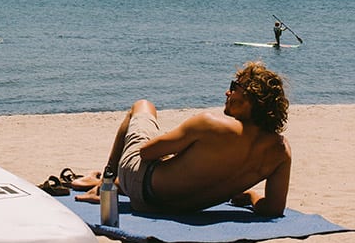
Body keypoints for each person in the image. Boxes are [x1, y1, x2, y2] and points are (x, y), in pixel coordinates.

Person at [76, 61, 292, 217]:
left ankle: (105, 186)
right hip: (180, 208)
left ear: (251, 99)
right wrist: (253, 196)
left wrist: (175, 149)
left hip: (145, 193)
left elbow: (146, 152)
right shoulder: (281, 152)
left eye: (235, 87)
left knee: (142, 106)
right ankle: (108, 182)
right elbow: (273, 209)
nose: (228, 92)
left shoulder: (210, 124)